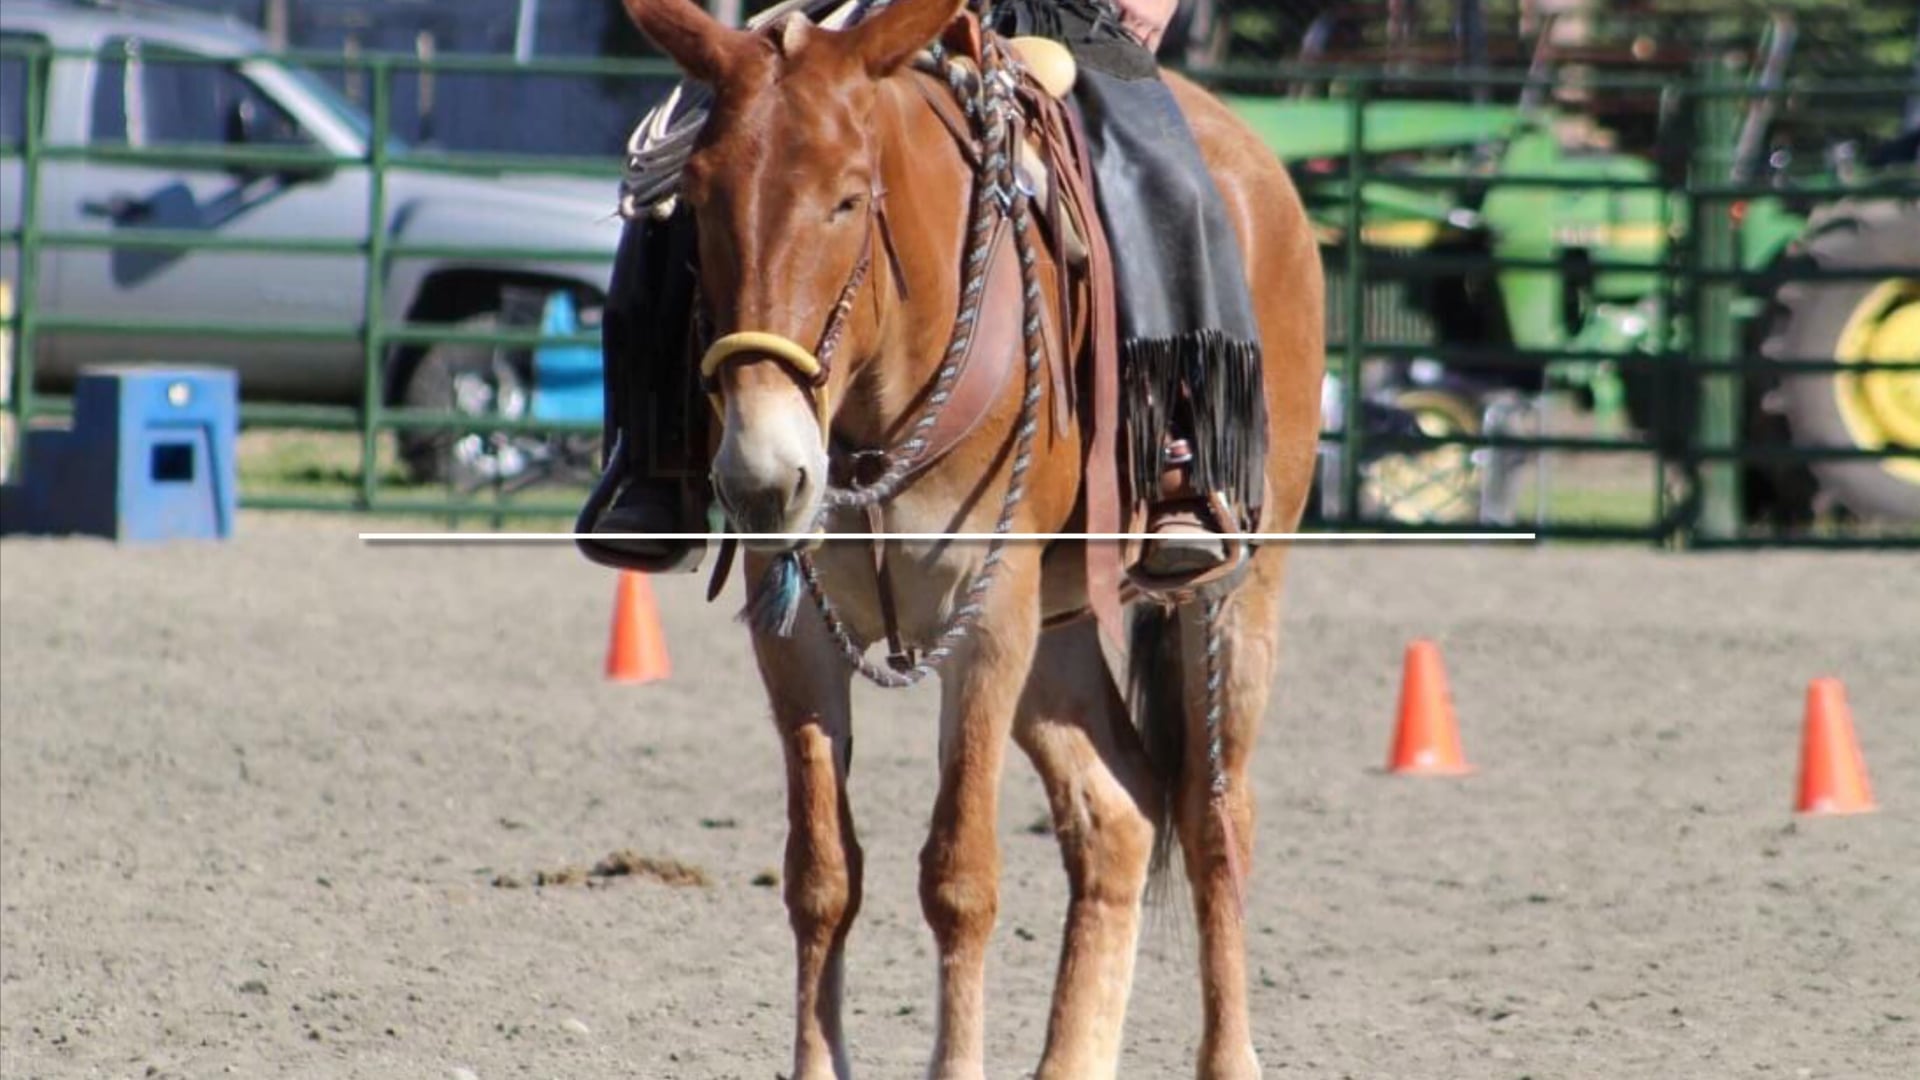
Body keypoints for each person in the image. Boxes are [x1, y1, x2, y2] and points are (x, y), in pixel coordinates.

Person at [579, 0, 1268, 584]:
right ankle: (658, 462)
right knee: (693, 154)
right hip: (865, 10)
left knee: (1163, 176)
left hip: (1059, 10)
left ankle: (1181, 460)